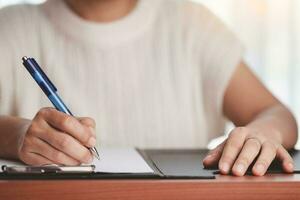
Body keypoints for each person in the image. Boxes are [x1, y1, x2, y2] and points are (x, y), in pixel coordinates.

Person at [0, 0, 297, 177]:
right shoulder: (12, 28)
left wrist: (266, 132)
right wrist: (17, 136)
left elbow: (274, 113)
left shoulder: (191, 25)